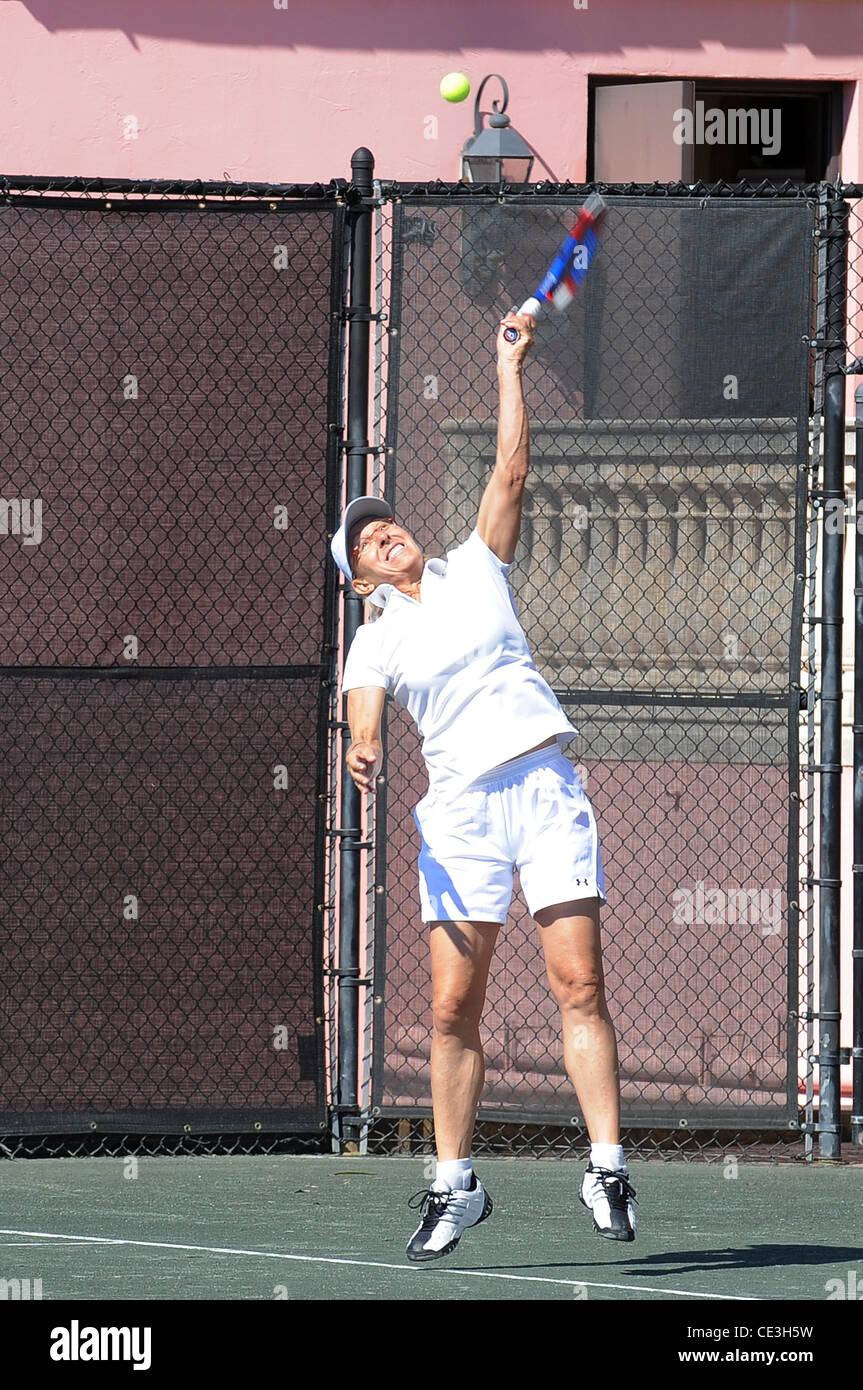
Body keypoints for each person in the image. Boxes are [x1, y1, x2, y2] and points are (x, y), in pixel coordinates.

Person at [330, 310, 637, 1261]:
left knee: (577, 981)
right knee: (451, 1009)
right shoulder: (372, 638)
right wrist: (365, 748)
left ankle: (606, 1164)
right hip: (459, 816)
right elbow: (366, 712)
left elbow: (509, 471)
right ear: (358, 580)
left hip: (543, 788)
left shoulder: (476, 565)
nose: (385, 531)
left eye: (386, 519)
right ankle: (453, 1186)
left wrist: (508, 367)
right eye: (367, 539)